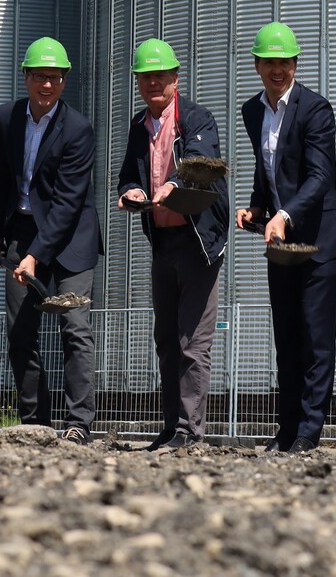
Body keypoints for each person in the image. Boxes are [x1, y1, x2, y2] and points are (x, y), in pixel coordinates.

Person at [235, 22, 336, 454]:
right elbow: (269, 171)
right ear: (257, 65)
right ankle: (286, 429)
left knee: (314, 333)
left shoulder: (316, 109)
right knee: (285, 334)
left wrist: (282, 214)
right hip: (281, 240)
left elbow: (320, 177)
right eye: (269, 62)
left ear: (296, 64)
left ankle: (308, 431)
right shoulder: (252, 111)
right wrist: (258, 208)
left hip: (323, 237)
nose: (277, 70)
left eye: (284, 62)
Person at [0, 37, 102, 444]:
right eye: (40, 77)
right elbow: (3, 178)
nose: (47, 85)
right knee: (20, 331)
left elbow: (68, 204)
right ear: (26, 77)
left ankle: (78, 423)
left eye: (55, 78)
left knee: (74, 326)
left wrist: (34, 256)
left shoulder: (78, 129)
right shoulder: (6, 118)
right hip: (21, 229)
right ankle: (35, 420)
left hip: (72, 239)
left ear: (64, 81)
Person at [117, 38, 229, 450]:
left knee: (191, 341)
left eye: (160, 77)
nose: (153, 84)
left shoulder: (197, 119)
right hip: (162, 240)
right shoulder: (138, 126)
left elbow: (201, 166)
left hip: (199, 241)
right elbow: (129, 174)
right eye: (145, 77)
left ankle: (189, 431)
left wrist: (173, 184)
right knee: (165, 338)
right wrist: (130, 191)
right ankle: (171, 427)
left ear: (175, 80)